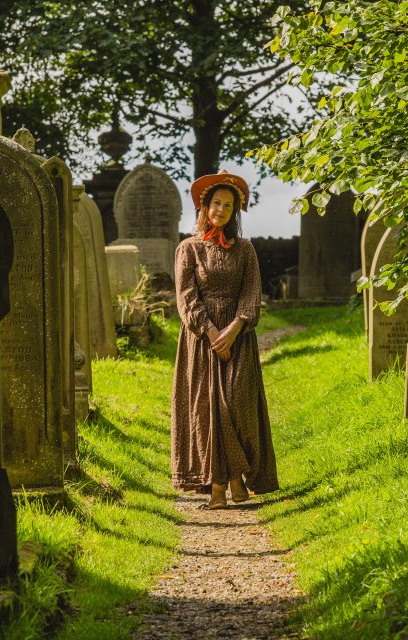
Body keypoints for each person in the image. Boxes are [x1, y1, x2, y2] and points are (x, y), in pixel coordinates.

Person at [170, 170, 279, 509]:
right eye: (216, 203)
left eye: (228, 205)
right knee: (209, 409)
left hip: (239, 337)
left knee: (236, 405)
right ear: (205, 207)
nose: (221, 209)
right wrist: (212, 333)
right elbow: (187, 296)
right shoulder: (188, 249)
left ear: (235, 211)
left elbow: (251, 296)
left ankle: (237, 476)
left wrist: (233, 330)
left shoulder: (245, 250)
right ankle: (221, 485)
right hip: (202, 340)